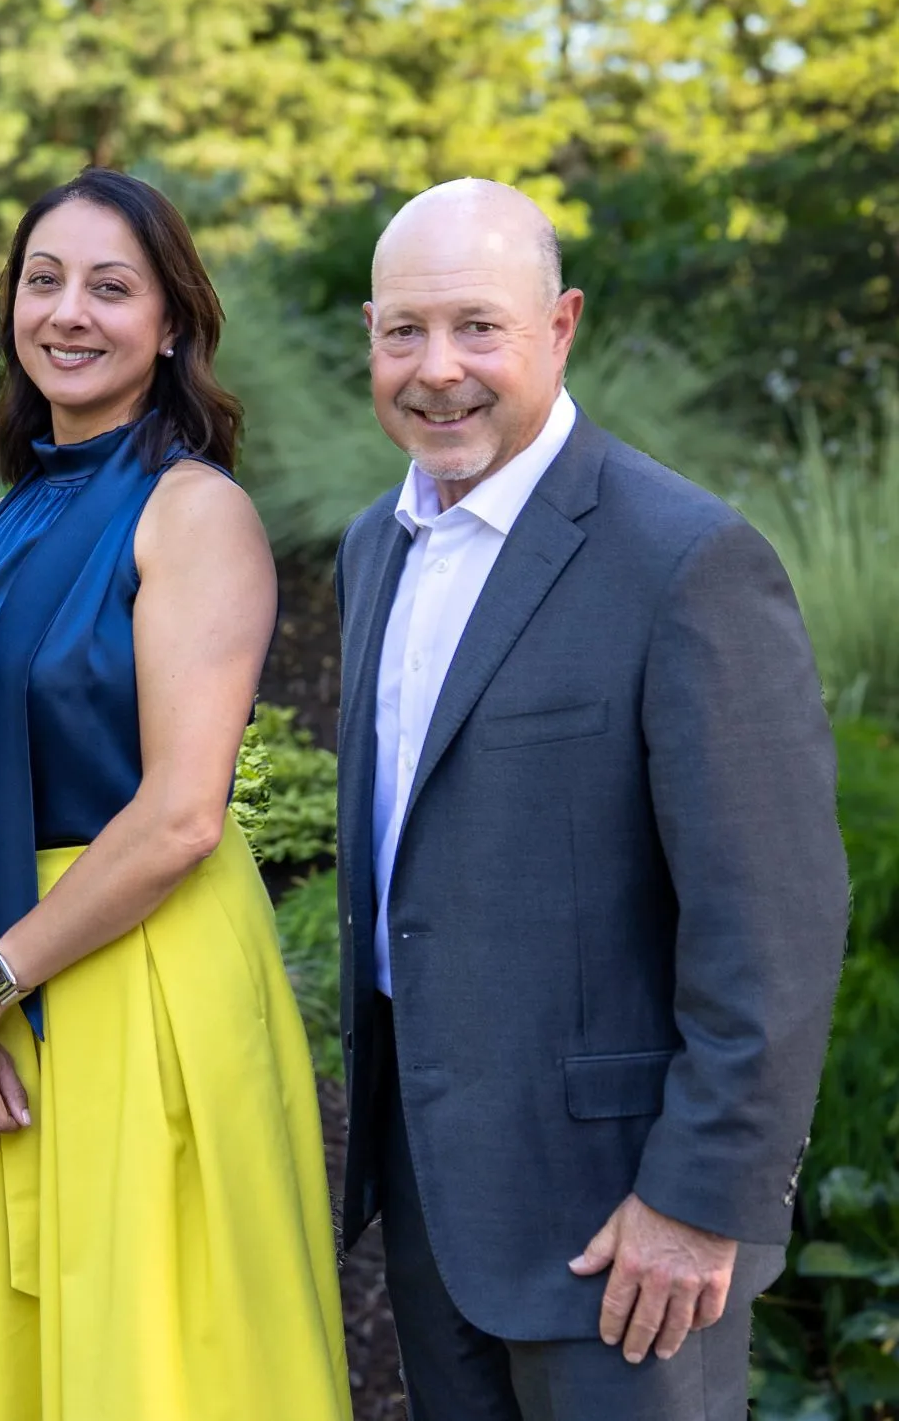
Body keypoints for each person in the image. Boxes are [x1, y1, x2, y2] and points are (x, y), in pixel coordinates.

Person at [336, 178, 847, 1420]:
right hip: (436, 1193)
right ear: (369, 337)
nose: (436, 369)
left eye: (478, 326)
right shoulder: (372, 549)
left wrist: (698, 1198)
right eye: (404, 331)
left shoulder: (684, 560)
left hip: (626, 1223)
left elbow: (774, 922)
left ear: (559, 326)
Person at [0, 168, 348, 1419]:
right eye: (42, 281)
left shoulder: (195, 514)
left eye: (110, 287)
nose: (68, 313)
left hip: (137, 966)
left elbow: (182, 815)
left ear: (171, 323)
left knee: (154, 1359)